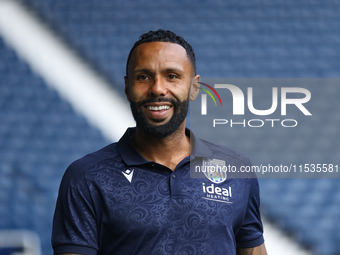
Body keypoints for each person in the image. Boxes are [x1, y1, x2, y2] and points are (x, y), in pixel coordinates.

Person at [52, 29, 267, 255]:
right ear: (127, 87)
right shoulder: (86, 176)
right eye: (143, 77)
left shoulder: (236, 169)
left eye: (172, 76)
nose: (157, 88)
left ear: (194, 87)